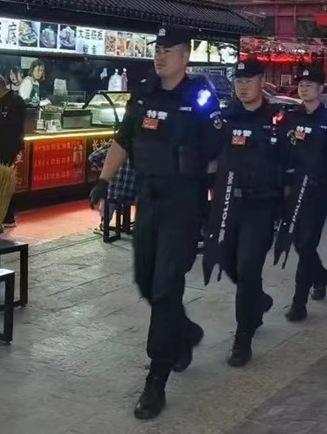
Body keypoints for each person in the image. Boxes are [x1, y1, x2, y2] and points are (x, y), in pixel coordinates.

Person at [89, 26, 222, 420]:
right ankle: (184, 331)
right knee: (145, 281)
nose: (160, 56)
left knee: (165, 288)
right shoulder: (143, 94)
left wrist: (214, 199)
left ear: (185, 56)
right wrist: (103, 181)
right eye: (158, 50)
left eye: (169, 50)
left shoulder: (200, 99)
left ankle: (156, 379)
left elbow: (219, 154)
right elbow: (122, 141)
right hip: (148, 200)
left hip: (183, 204)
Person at [203, 59, 280, 367]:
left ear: (262, 81)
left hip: (261, 206)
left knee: (248, 267)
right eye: (238, 80)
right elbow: (210, 161)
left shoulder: (277, 120)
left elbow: (289, 164)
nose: (243, 86)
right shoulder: (223, 120)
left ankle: (243, 337)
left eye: (249, 80)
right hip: (226, 206)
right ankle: (258, 300)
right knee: (227, 261)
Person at [280, 66, 327, 322]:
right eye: (301, 85)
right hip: (292, 189)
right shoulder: (290, 117)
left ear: (321, 89)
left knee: (306, 243)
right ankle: (321, 275)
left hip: (318, 191)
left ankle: (298, 303)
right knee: (297, 241)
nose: (304, 89)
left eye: (309, 85)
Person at [0, 75, 26, 227]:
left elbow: (14, 128)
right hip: (1, 147)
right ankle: (2, 215)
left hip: (9, 148)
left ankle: (8, 217)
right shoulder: (1, 102)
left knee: (5, 182)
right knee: (0, 182)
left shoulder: (16, 101)